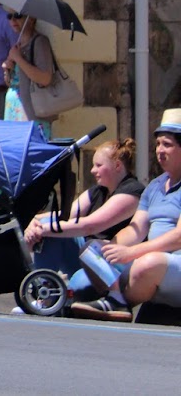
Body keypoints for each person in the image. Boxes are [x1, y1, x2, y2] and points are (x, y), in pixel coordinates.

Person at [71, 109, 181, 321]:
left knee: (147, 264)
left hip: (169, 262)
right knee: (91, 251)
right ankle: (115, 299)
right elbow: (137, 229)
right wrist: (110, 250)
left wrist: (131, 254)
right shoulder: (154, 187)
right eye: (158, 144)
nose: (160, 150)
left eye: (167, 144)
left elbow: (178, 237)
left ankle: (115, 301)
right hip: (151, 261)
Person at [26, 137, 142, 279]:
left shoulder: (132, 192)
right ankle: (43, 288)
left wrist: (41, 230)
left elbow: (90, 226)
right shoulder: (99, 190)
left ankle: (49, 291)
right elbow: (66, 215)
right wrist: (33, 221)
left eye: (98, 165)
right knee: (48, 229)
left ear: (117, 166)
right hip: (88, 253)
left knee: (78, 284)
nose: (93, 170)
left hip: (112, 263)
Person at [1, 13, 59, 133]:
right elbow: (14, 82)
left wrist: (18, 59)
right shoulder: (18, 45)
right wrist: (7, 69)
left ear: (31, 18)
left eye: (18, 15)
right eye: (9, 16)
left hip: (32, 113)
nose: (13, 20)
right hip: (14, 109)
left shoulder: (40, 42)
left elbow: (45, 78)